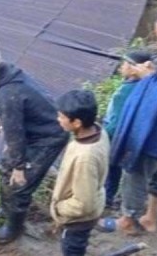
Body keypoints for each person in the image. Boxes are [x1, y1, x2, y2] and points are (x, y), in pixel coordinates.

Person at [0, 41, 68, 243]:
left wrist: (20, 166)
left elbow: (16, 131)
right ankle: (6, 210)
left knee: (20, 184)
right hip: (34, 131)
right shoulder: (8, 76)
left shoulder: (8, 93)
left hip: (47, 137)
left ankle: (14, 227)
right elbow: (14, 127)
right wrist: (13, 158)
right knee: (5, 169)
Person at [103, 9, 157, 235]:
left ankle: (128, 219)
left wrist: (148, 78)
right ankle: (150, 218)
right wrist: (156, 73)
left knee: (135, 173)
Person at [52, 90, 109, 256]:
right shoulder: (98, 131)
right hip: (92, 202)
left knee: (72, 248)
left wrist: (59, 208)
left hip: (78, 220)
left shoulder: (85, 157)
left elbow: (84, 204)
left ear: (76, 122)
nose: (58, 119)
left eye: (61, 116)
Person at [102, 50, 153, 208]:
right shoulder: (137, 86)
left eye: (124, 64)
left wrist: (104, 133)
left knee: (110, 167)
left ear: (133, 68)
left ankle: (106, 198)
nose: (120, 68)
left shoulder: (128, 90)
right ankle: (109, 197)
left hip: (114, 134)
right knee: (114, 165)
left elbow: (116, 119)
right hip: (123, 135)